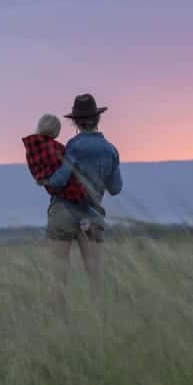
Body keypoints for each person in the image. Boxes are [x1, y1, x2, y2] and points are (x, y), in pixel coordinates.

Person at [42, 94, 122, 303]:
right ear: (98, 119)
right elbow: (116, 188)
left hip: (64, 211)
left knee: (58, 273)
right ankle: (99, 321)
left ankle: (57, 323)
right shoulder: (111, 150)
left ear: (75, 122)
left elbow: (59, 180)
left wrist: (45, 180)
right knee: (95, 274)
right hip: (93, 214)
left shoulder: (73, 146)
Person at [21, 113, 88, 203]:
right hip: (72, 194)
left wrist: (44, 181)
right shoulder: (54, 147)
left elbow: (38, 175)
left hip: (55, 194)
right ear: (56, 131)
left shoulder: (30, 150)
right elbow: (63, 174)